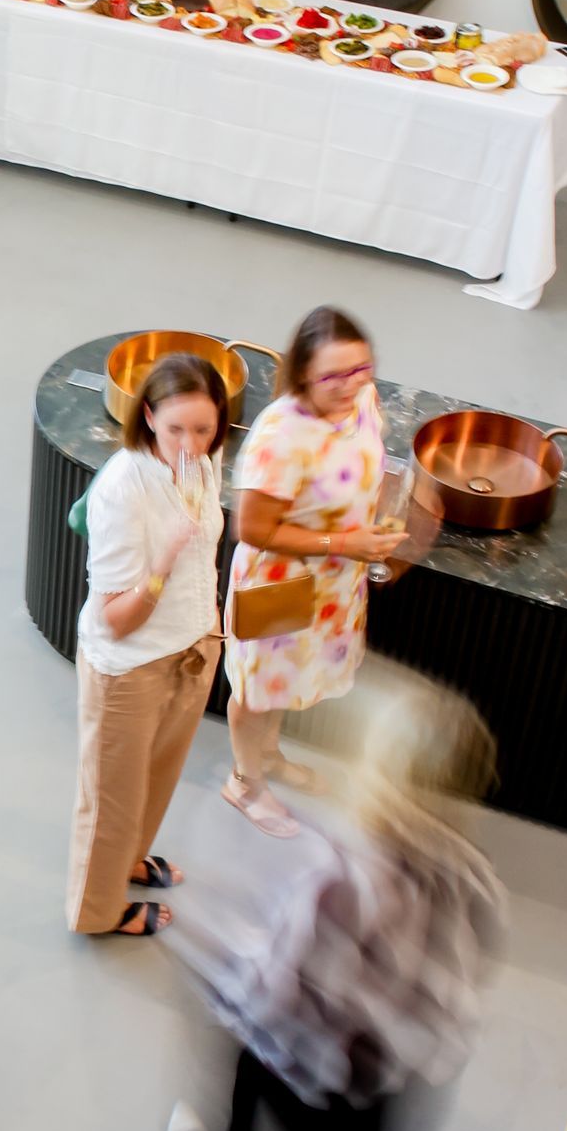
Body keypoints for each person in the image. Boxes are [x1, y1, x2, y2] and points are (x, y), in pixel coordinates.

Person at [192, 669, 503, 1131]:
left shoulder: (340, 873)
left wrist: (225, 975)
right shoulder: (474, 877)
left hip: (307, 1067)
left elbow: (277, 985)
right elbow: (463, 982)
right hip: (387, 1083)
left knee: (241, 1058)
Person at [223, 305, 403, 839]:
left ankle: (269, 755)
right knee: (258, 690)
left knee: (290, 680)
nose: (350, 385)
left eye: (361, 369)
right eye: (333, 376)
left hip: (334, 584)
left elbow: (366, 461)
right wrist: (347, 542)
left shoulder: (362, 401)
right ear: (303, 372)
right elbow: (252, 529)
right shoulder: (280, 436)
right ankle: (244, 780)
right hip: (281, 585)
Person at [69, 352, 226, 939]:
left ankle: (128, 861)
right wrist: (162, 562)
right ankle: (98, 911)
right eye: (176, 427)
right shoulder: (123, 489)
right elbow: (115, 621)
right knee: (111, 802)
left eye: (204, 429)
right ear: (150, 417)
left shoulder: (204, 463)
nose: (189, 442)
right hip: (130, 667)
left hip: (190, 649)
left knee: (156, 780)